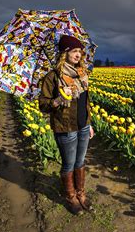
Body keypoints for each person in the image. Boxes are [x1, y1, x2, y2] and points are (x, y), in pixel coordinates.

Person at [38, 34, 95, 215]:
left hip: (83, 126)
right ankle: (71, 197)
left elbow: (85, 102)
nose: (79, 55)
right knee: (69, 164)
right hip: (65, 128)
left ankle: (81, 194)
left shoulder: (82, 74)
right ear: (65, 53)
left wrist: (89, 123)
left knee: (80, 162)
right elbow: (43, 105)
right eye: (74, 51)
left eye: (80, 51)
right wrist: (59, 99)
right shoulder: (52, 77)